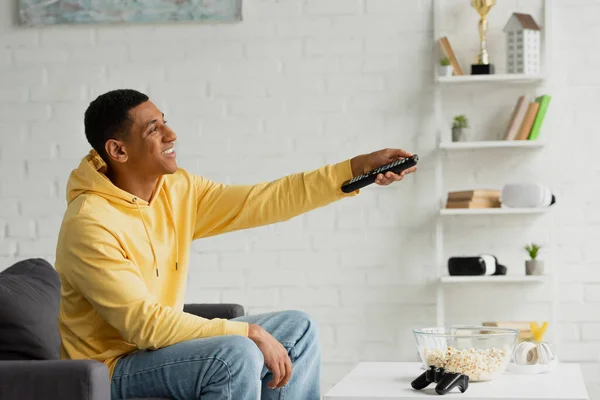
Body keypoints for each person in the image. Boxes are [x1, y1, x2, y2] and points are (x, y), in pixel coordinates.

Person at [54, 89, 417, 400]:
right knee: (235, 352)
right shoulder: (91, 222)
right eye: (154, 129)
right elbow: (144, 326)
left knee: (297, 328)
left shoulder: (177, 190)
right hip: (112, 369)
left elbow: (263, 200)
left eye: (164, 121)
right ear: (118, 150)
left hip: (160, 350)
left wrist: (355, 170)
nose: (171, 133)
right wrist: (247, 331)